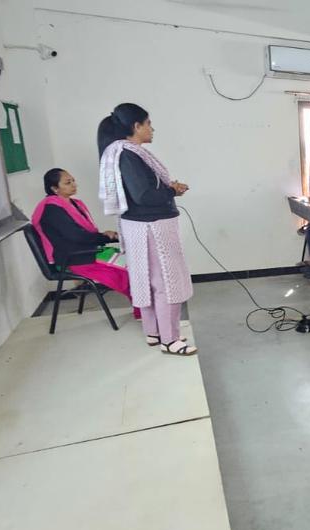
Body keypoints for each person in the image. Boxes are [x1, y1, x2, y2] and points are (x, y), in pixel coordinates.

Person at [96, 102, 196, 356]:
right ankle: (170, 339)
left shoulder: (123, 152)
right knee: (166, 284)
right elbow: (144, 196)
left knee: (149, 281)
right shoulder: (128, 154)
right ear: (135, 126)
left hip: (140, 227)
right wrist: (172, 190)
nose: (152, 128)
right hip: (152, 227)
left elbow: (142, 192)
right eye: (148, 123)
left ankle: (153, 332)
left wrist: (168, 190)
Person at [30, 168, 132, 306]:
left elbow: (83, 235)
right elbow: (77, 236)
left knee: (133, 263)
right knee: (130, 271)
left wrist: (106, 236)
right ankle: (142, 310)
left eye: (73, 181)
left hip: (87, 252)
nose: (74, 185)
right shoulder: (51, 209)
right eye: (67, 182)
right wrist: (106, 237)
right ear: (54, 188)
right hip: (74, 258)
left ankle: (144, 309)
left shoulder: (74, 204)